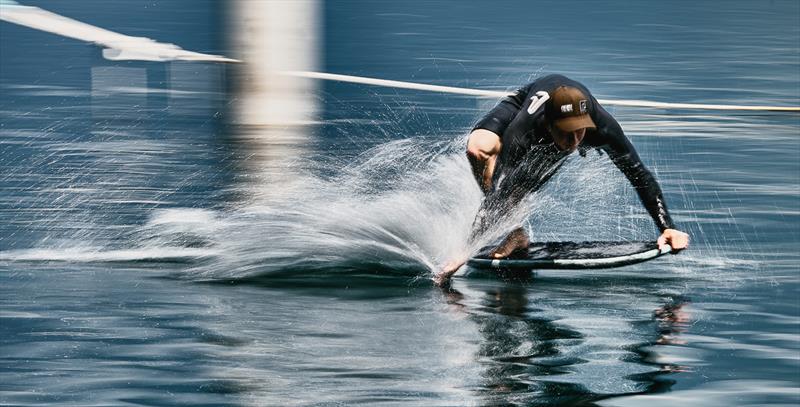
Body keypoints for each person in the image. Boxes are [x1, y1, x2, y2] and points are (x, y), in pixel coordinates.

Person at [434, 74, 689, 286]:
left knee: (520, 186)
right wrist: (465, 251)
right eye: (567, 132)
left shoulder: (602, 128)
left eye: (580, 131)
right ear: (548, 124)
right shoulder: (524, 130)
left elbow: (638, 173)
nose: (575, 140)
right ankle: (515, 232)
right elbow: (500, 191)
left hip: (557, 117)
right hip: (521, 104)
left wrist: (666, 226)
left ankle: (515, 234)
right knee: (480, 152)